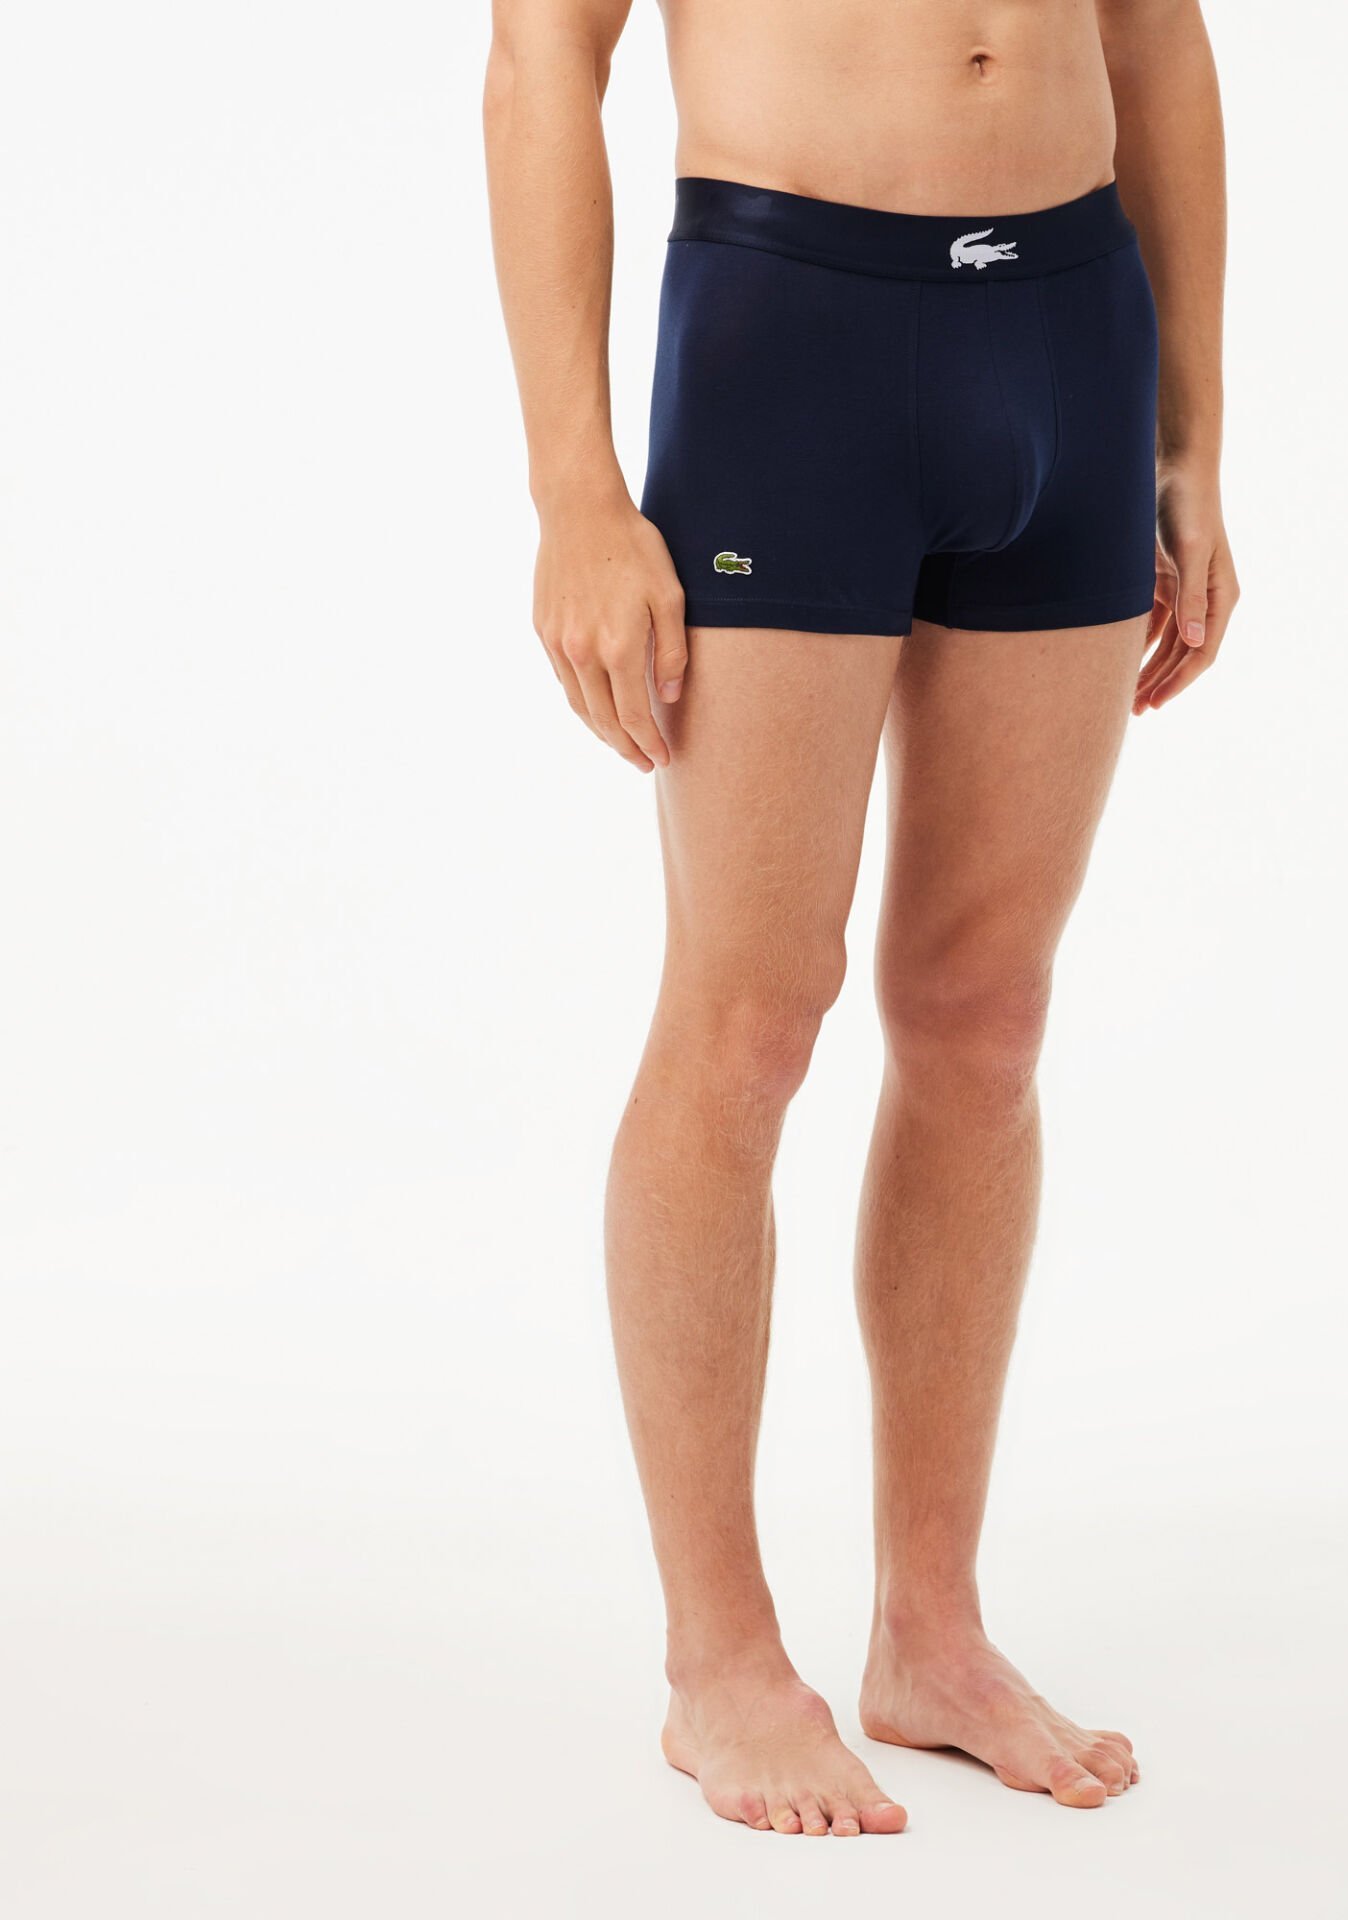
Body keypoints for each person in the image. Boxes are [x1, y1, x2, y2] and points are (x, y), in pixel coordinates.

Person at [483, 0, 1237, 1837]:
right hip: (790, 332)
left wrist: (1195, 434)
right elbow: (543, 58)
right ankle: (720, 1659)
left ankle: (931, 1630)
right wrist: (576, 490)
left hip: (1069, 323)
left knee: (984, 1019)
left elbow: (1157, 40)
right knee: (749, 1019)